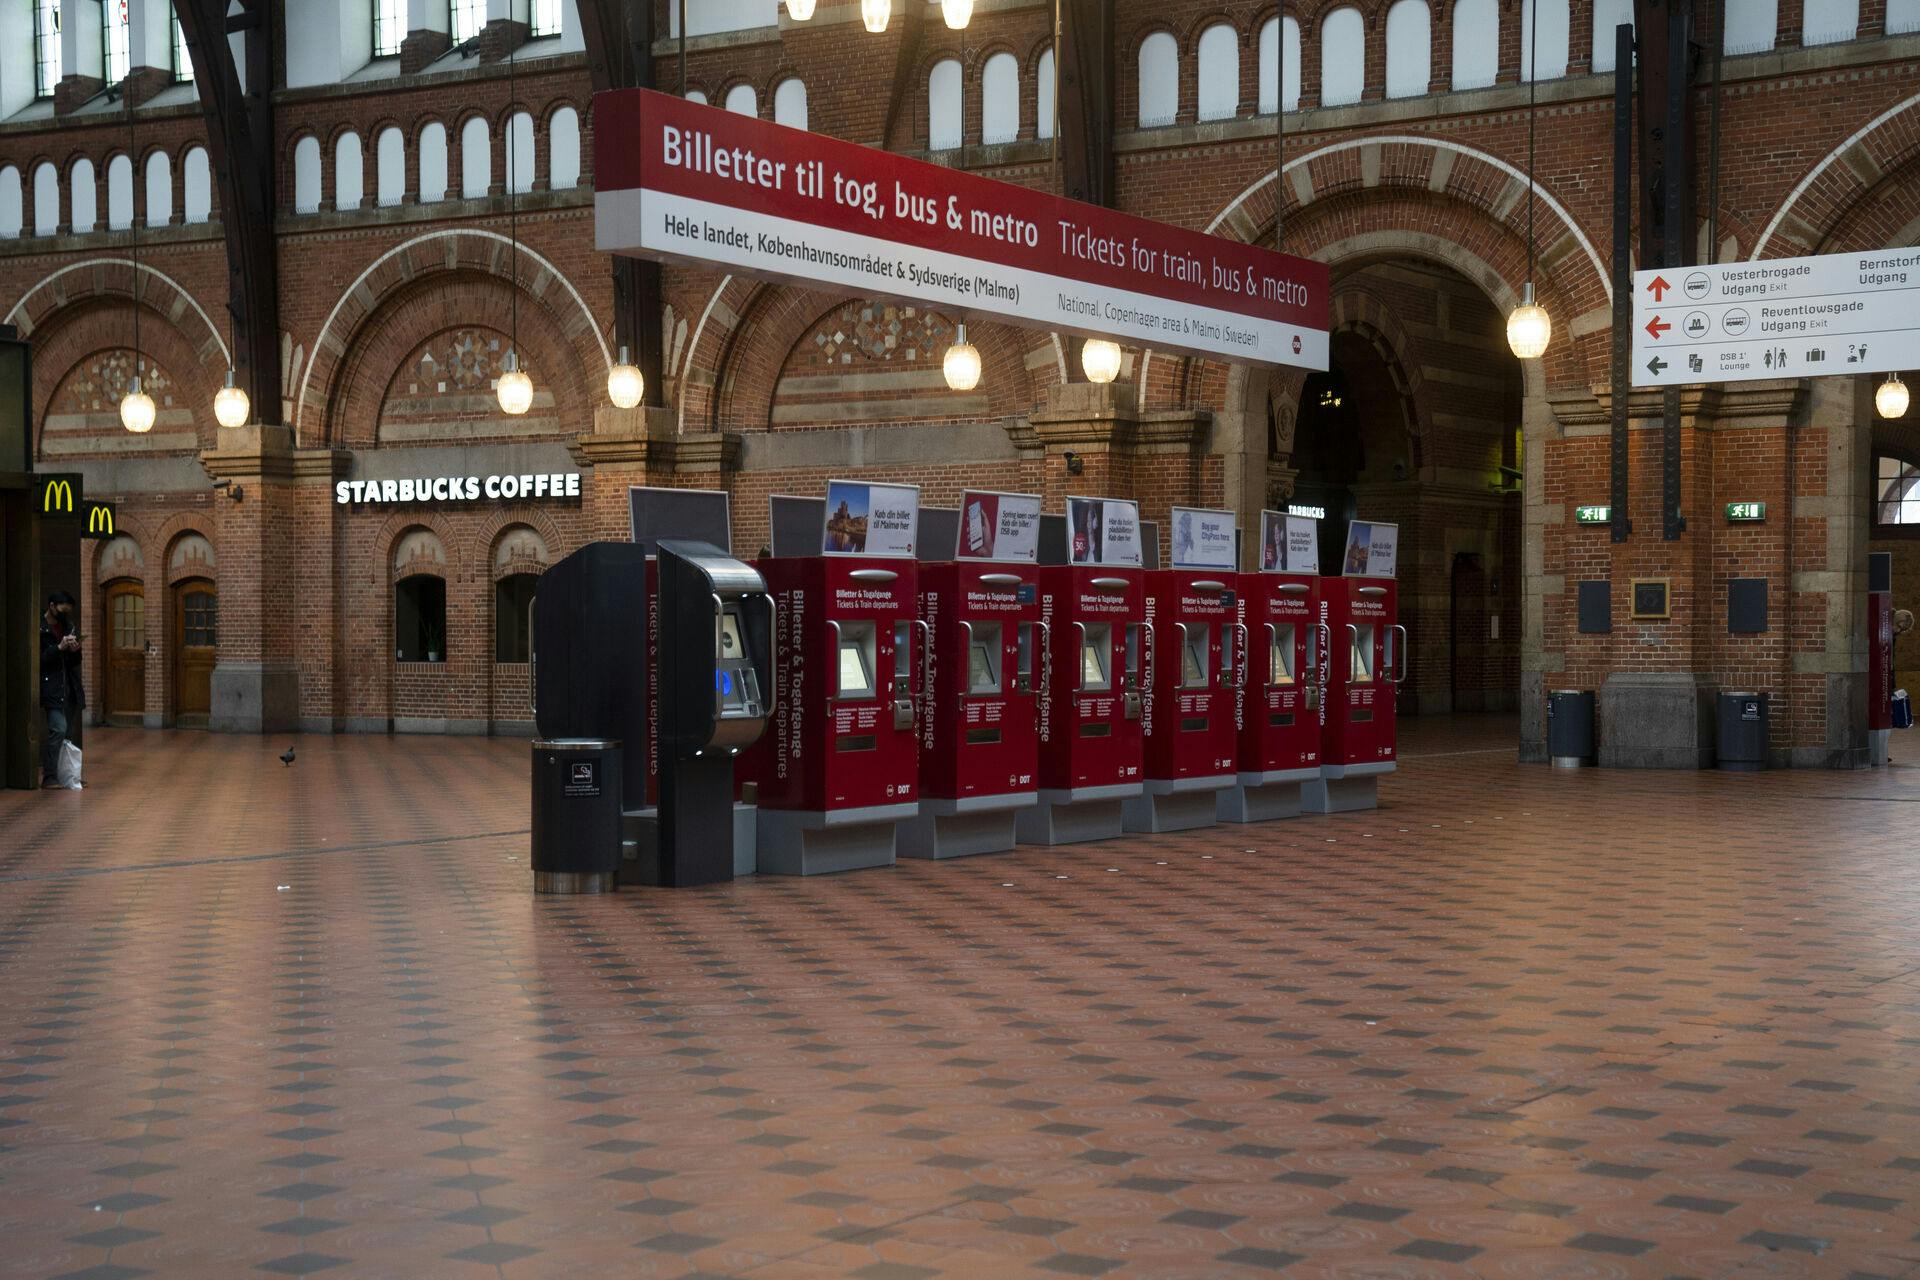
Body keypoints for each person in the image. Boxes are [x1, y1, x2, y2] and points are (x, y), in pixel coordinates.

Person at [40, 590, 85, 789]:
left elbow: (74, 662)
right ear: (51, 606)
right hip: (51, 686)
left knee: (68, 733)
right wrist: (58, 648)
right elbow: (39, 660)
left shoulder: (68, 625)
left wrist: (75, 650)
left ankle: (67, 775)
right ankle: (49, 776)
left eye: (68, 610)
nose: (65, 613)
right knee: (58, 728)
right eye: (62, 609)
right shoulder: (40, 627)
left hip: (69, 686)